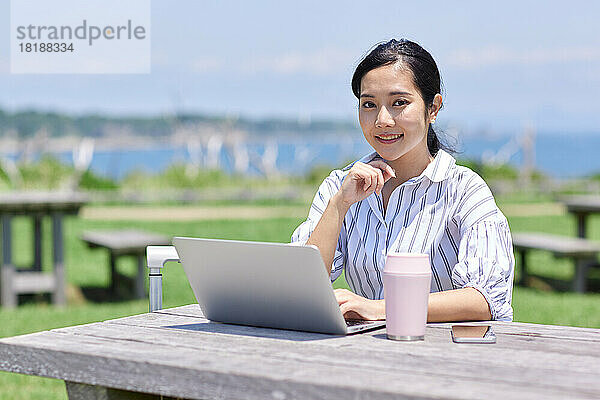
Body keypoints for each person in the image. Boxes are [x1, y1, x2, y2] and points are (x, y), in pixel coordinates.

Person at [291, 39, 515, 322]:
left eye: (399, 103)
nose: (382, 120)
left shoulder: (463, 190)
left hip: (447, 354)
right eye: (369, 104)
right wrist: (340, 204)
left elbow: (487, 298)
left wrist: (381, 308)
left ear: (433, 108)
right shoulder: (339, 185)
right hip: (362, 352)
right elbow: (301, 286)